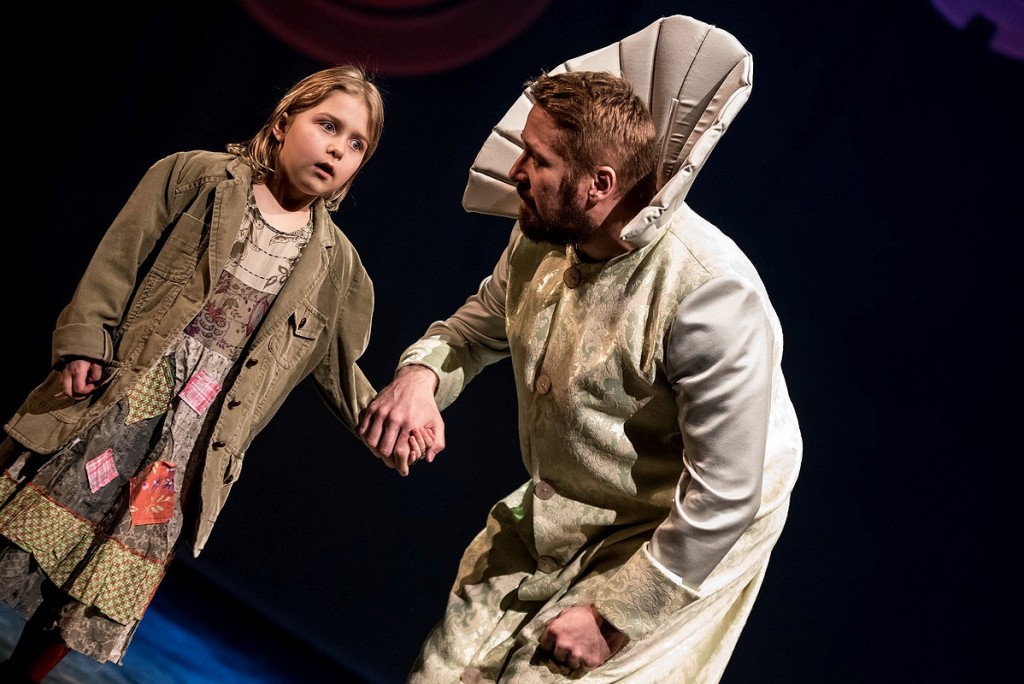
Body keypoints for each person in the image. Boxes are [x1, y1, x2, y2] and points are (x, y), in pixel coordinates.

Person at [358, 69, 802, 682]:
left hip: (682, 529)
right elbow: (480, 325)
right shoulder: (544, 236)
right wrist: (420, 377)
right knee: (445, 669)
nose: (516, 171)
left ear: (600, 184)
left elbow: (727, 489)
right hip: (568, 503)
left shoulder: (708, 295)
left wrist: (616, 616)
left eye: (538, 160)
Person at [0, 65, 419, 680]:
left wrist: (389, 424)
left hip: (185, 446)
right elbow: (117, 262)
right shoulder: (196, 177)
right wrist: (85, 341)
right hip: (117, 400)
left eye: (356, 143)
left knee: (96, 580)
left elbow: (338, 370)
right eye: (327, 126)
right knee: (23, 523)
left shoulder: (339, 271)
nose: (337, 149)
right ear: (283, 124)